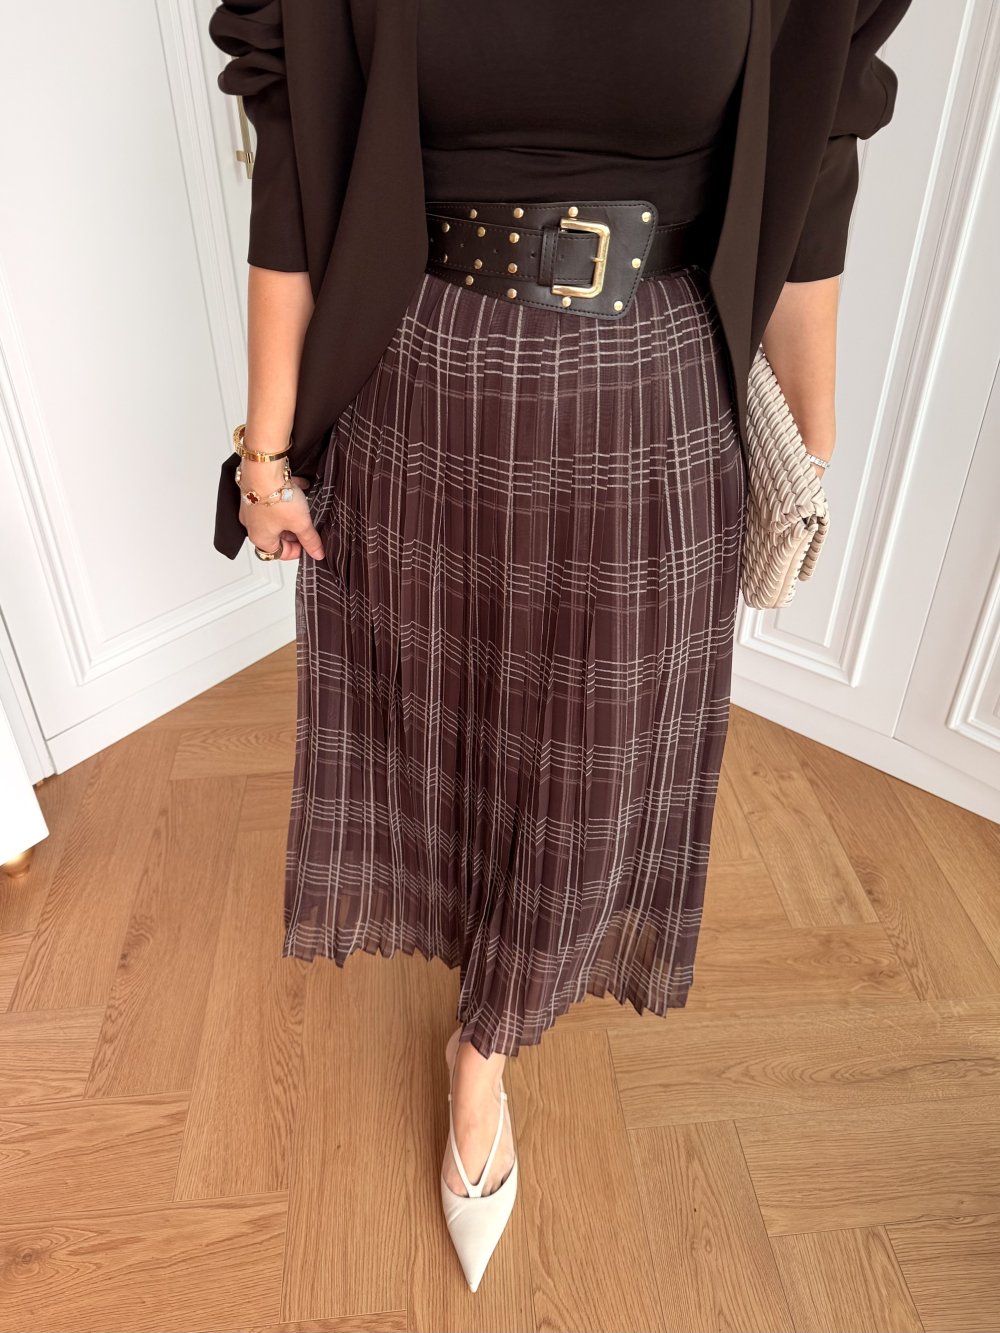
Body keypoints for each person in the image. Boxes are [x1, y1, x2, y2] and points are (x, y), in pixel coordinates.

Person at [207, 0, 911, 1294]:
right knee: (446, 739)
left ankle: (484, 1052)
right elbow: (294, 156)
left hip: (652, 393)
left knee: (588, 779)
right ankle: (477, 988)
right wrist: (266, 455)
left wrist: (809, 447)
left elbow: (819, 146)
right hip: (422, 382)